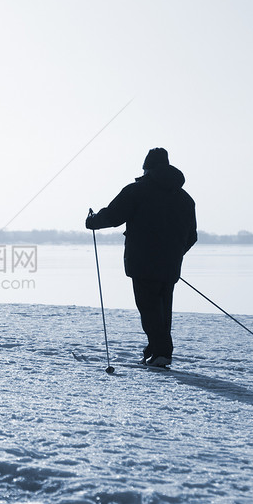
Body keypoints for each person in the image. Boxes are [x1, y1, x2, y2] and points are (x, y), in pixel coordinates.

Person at [86, 147, 197, 367]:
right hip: (170, 265)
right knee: (162, 310)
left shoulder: (137, 191)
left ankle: (160, 353)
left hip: (143, 262)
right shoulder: (185, 199)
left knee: (149, 308)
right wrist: (173, 253)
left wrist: (92, 221)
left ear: (147, 168)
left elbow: (113, 216)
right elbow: (191, 236)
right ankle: (155, 350)